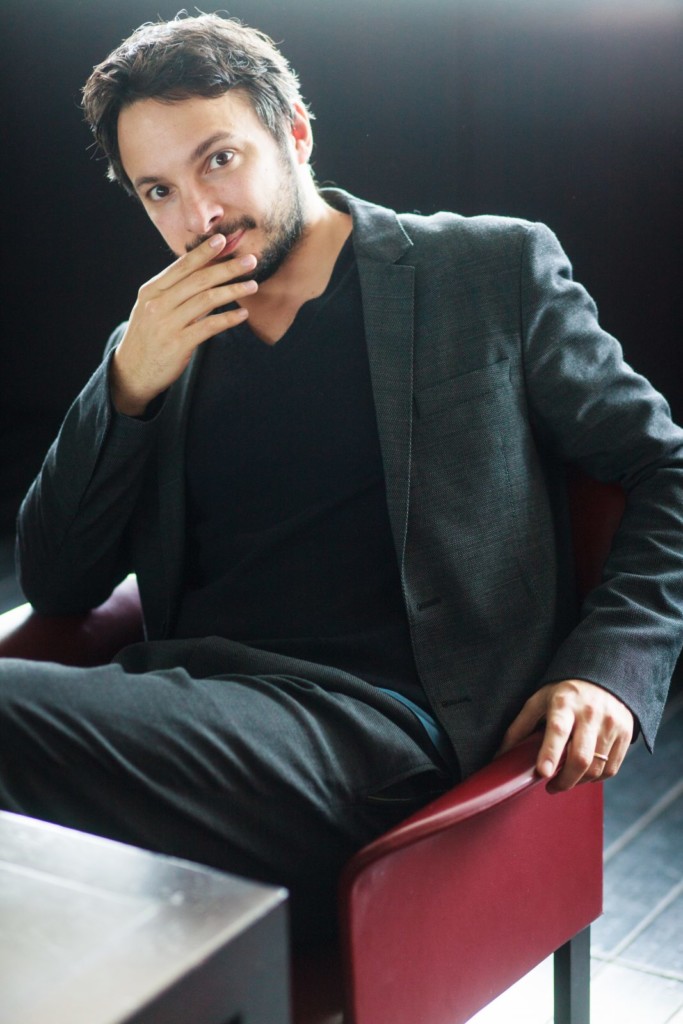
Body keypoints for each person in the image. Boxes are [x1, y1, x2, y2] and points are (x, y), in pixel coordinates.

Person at [3, 13, 683, 942]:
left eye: (218, 161)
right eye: (157, 189)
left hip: (384, 735)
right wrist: (127, 382)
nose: (196, 217)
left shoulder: (485, 269)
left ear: (295, 134)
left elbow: (662, 468)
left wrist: (608, 672)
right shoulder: (164, 337)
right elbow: (58, 581)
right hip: (188, 717)